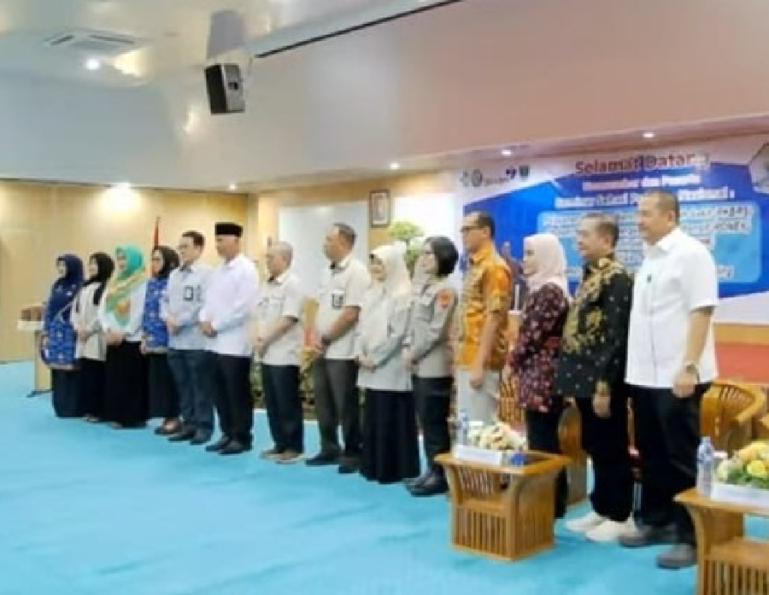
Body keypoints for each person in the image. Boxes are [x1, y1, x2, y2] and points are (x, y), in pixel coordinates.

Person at [620, 191, 718, 570]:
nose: (638, 221)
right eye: (638, 214)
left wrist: (689, 366)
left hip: (680, 376)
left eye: (645, 214)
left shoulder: (692, 254)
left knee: (681, 458)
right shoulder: (649, 259)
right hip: (645, 377)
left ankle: (690, 536)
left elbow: (701, 311)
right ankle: (657, 521)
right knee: (651, 453)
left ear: (671, 217)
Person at [556, 214, 634, 542]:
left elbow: (615, 336)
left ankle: (621, 513)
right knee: (594, 444)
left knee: (612, 445)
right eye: (577, 234)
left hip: (606, 380)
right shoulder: (591, 274)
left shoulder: (617, 278)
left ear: (606, 240)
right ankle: (601, 507)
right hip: (584, 377)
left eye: (585, 234)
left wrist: (604, 386)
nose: (578, 240)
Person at [507, 233, 569, 518]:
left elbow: (532, 334)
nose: (525, 260)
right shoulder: (544, 287)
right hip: (539, 371)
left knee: (543, 440)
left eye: (531, 253)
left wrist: (512, 361)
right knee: (540, 437)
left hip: (543, 375)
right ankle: (548, 499)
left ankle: (550, 502)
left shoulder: (549, 291)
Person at [307, 223, 371, 474]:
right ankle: (328, 447)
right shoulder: (326, 272)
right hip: (323, 347)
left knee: (346, 403)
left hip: (342, 348)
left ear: (344, 242)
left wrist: (326, 338)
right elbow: (320, 307)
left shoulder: (357, 272)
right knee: (323, 402)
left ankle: (353, 451)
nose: (324, 244)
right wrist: (314, 336)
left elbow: (351, 313)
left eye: (328, 240)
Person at [357, 244, 419, 484]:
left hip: (390, 366)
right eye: (373, 262)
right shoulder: (371, 292)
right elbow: (361, 327)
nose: (375, 268)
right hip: (370, 364)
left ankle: (394, 468)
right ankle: (373, 465)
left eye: (380, 263)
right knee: (373, 415)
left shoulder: (402, 294)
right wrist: (360, 354)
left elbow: (397, 334)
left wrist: (376, 358)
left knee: (390, 415)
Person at [403, 236, 459, 497]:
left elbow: (436, 331)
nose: (423, 259)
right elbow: (414, 325)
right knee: (426, 421)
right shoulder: (425, 288)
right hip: (419, 364)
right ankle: (430, 469)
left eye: (430, 255)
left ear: (443, 259)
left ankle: (440, 475)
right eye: (423, 254)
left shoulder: (445, 290)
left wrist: (413, 353)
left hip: (434, 365)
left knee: (435, 423)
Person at [199, 222, 259, 456]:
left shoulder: (246, 270)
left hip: (235, 343)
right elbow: (208, 301)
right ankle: (226, 432)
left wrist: (216, 325)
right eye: (216, 240)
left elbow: (243, 308)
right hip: (213, 343)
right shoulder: (218, 270)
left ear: (236, 241)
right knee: (219, 392)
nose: (218, 245)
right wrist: (204, 319)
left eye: (222, 240)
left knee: (236, 393)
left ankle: (242, 436)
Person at [455, 211, 512, 423]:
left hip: (481, 361)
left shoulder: (494, 267)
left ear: (485, 232)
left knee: (480, 428)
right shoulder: (475, 265)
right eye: (462, 230)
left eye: (468, 229)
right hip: (466, 356)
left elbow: (494, 317)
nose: (463, 235)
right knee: (466, 426)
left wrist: (479, 362)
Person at [254, 242, 306, 464]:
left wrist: (265, 339)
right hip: (267, 352)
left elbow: (288, 319)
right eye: (266, 257)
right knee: (273, 402)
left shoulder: (293, 284)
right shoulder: (266, 285)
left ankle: (294, 446)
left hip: (284, 353)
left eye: (271, 257)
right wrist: (258, 337)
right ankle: (280, 443)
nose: (267, 261)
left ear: (285, 259)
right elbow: (260, 314)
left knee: (287, 402)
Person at [163, 231, 214, 445]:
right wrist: (168, 319)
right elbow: (163, 301)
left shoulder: (207, 274)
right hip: (175, 341)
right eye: (180, 247)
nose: (181, 251)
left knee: (199, 386)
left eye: (186, 246)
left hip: (195, 340)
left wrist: (179, 321)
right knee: (183, 386)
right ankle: (189, 423)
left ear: (199, 248)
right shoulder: (174, 274)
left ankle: (204, 426)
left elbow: (203, 304)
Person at [99, 245, 149, 428]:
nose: (121, 262)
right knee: (115, 378)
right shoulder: (114, 283)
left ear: (134, 260)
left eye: (125, 259)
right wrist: (107, 329)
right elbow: (103, 309)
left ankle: (133, 417)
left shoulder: (142, 283)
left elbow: (140, 311)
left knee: (131, 379)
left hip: (131, 338)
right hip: (112, 337)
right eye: (119, 259)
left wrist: (125, 331)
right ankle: (117, 415)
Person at [71, 252, 114, 422]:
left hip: (96, 337)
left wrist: (89, 330)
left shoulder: (106, 288)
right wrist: (77, 328)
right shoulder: (84, 288)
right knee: (86, 374)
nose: (91, 267)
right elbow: (75, 312)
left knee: (98, 375)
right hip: (82, 337)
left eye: (95, 264)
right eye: (90, 263)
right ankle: (88, 408)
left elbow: (102, 314)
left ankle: (99, 410)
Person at [142, 245, 181, 435]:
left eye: (158, 259)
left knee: (170, 380)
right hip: (152, 338)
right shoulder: (152, 283)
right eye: (153, 259)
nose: (154, 263)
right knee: (158, 380)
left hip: (170, 338)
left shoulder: (173, 282)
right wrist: (144, 338)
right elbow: (147, 311)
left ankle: (174, 416)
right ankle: (165, 414)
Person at [42, 254, 84, 417]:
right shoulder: (57, 285)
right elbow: (50, 309)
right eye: (58, 265)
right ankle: (60, 406)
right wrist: (46, 332)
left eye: (64, 265)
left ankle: (73, 407)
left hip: (70, 332)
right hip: (55, 332)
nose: (60, 269)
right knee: (57, 371)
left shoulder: (81, 286)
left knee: (72, 371)